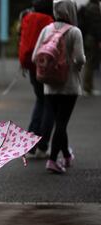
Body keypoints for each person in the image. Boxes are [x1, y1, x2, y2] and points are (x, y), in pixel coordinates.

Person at [32, 0, 86, 174]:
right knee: (62, 122)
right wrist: (77, 66)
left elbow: (35, 57)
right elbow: (80, 59)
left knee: (59, 120)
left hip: (49, 85)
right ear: (71, 10)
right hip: (69, 85)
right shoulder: (74, 31)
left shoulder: (47, 29)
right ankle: (53, 160)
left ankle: (66, 156)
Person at [18, 0, 54, 159]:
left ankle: (30, 144)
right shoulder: (49, 21)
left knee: (40, 100)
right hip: (45, 67)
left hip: (31, 65)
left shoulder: (28, 17)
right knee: (49, 104)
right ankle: (43, 144)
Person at [79, 0, 101, 96]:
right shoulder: (94, 8)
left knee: (89, 62)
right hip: (92, 38)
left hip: (87, 37)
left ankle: (89, 87)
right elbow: (96, 25)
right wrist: (99, 38)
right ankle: (87, 88)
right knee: (90, 62)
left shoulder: (88, 6)